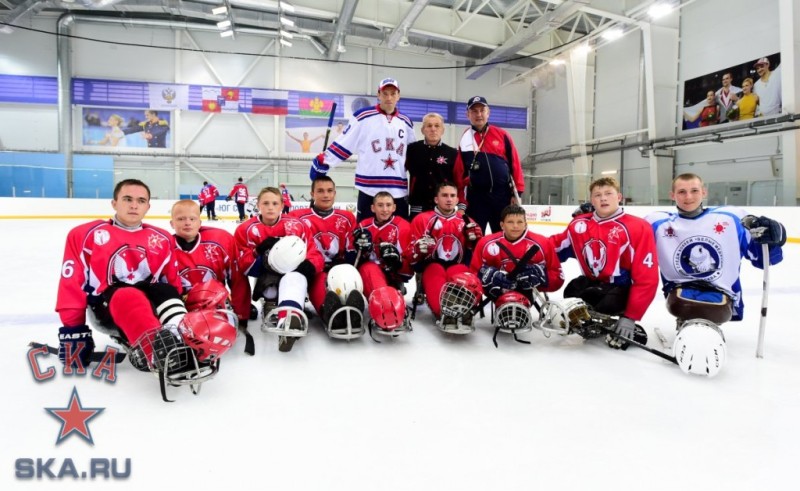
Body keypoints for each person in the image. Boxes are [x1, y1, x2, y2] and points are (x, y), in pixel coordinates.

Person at [55, 179, 233, 382]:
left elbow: (172, 283)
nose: (134, 205)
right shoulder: (86, 235)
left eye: (141, 201)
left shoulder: (161, 237)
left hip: (151, 305)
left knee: (165, 289)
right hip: (107, 308)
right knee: (129, 294)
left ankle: (185, 340)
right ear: (114, 203)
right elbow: (71, 284)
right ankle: (160, 354)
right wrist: (74, 330)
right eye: (127, 199)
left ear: (148, 206)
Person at [645, 174, 785, 352]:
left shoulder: (732, 218)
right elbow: (633, 246)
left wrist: (774, 240)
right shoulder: (657, 223)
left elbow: (764, 259)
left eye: (694, 190)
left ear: (704, 192)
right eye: (682, 192)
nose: (688, 197)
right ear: (672, 195)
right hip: (679, 291)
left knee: (714, 308)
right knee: (683, 304)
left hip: (722, 292)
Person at [550, 177, 659, 349]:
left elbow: (647, 277)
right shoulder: (579, 224)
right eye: (598, 195)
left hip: (620, 289)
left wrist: (630, 316)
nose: (603, 198)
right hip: (594, 284)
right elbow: (552, 248)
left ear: (619, 197)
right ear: (592, 200)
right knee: (572, 291)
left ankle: (611, 318)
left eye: (608, 193)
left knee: (607, 303)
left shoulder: (638, 227)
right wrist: (522, 248)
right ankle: (595, 320)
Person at [309, 78, 416, 221]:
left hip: (398, 190)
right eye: (385, 93)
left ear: (398, 95)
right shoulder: (363, 117)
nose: (389, 97)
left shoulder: (406, 122)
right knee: (364, 233)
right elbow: (345, 142)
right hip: (369, 188)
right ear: (378, 95)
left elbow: (414, 156)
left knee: (400, 232)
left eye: (393, 93)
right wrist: (325, 161)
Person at [234, 187, 323, 352]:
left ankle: (289, 319)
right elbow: (240, 265)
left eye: (275, 203)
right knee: (272, 280)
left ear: (282, 205)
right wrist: (257, 251)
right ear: (258, 205)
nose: (270, 207)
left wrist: (310, 265)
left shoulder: (297, 225)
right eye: (265, 203)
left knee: (295, 276)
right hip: (261, 269)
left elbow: (313, 252)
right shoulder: (245, 229)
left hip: (292, 271)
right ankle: (272, 299)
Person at [470, 205, 564, 341]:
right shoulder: (485, 242)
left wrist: (541, 276)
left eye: (520, 222)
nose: (515, 226)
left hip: (527, 291)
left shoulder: (542, 243)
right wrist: (488, 275)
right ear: (501, 224)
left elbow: (558, 276)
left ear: (526, 224)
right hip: (496, 291)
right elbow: (473, 273)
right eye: (510, 222)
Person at [169, 199, 250, 346]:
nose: (187, 223)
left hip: (215, 303)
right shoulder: (164, 248)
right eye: (181, 219)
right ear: (171, 224)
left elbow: (237, 278)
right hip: (182, 307)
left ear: (200, 223)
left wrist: (241, 312)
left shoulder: (220, 241)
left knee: (221, 335)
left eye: (192, 219)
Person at [289, 176, 364, 337]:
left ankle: (351, 311)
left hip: (339, 268)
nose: (325, 195)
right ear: (312, 194)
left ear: (335, 193)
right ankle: (330, 313)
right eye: (320, 191)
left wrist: (362, 245)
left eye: (330, 191)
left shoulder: (347, 217)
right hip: (314, 269)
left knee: (347, 279)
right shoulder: (298, 217)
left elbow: (351, 252)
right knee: (319, 284)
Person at [408, 181, 484, 332]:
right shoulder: (422, 219)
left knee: (464, 278)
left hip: (458, 265)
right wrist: (418, 250)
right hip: (431, 266)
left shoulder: (467, 221)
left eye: (452, 196)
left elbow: (478, 254)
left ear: (457, 200)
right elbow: (411, 255)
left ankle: (464, 309)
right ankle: (444, 312)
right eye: (444, 195)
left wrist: (475, 241)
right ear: (436, 199)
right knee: (436, 273)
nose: (449, 199)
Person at [453, 96, 524, 234]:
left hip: (502, 196)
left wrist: (518, 193)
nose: (478, 114)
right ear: (468, 114)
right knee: (474, 237)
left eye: (482, 110)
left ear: (488, 112)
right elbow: (459, 172)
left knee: (503, 236)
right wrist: (461, 200)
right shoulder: (465, 138)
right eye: (474, 111)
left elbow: (515, 164)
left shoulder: (502, 134)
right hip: (476, 198)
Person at [355, 192, 414, 336]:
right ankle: (386, 307)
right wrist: (361, 251)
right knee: (369, 267)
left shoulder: (403, 226)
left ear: (394, 207)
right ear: (373, 208)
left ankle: (390, 304)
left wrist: (398, 261)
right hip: (370, 275)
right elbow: (354, 263)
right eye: (380, 205)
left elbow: (409, 270)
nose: (385, 209)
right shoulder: (363, 226)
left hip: (393, 276)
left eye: (388, 205)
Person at [406, 112, 458, 219]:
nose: (433, 129)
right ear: (422, 130)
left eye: (437, 126)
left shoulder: (452, 153)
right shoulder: (412, 150)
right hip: (418, 206)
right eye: (429, 126)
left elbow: (458, 181)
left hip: (442, 207)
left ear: (443, 130)